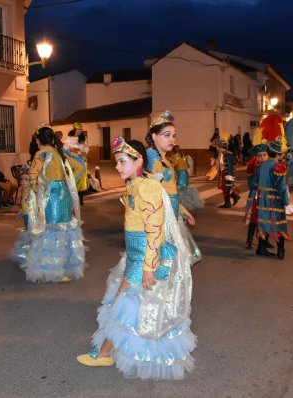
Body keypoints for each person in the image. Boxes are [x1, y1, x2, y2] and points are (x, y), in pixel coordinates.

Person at [76, 137, 196, 379]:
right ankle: (107, 351)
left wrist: (149, 267)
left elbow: (155, 230)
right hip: (134, 255)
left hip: (143, 257)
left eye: (122, 162)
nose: (118, 167)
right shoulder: (136, 184)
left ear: (138, 160)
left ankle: (105, 354)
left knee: (125, 304)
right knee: (130, 305)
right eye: (117, 162)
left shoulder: (147, 187)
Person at [19, 124, 86, 283]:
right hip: (63, 193)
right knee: (65, 230)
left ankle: (53, 270)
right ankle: (64, 266)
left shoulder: (41, 153)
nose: (35, 141)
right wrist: (69, 182)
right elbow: (80, 167)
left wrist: (37, 190)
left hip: (51, 196)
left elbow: (33, 176)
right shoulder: (58, 152)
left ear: (39, 139)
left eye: (36, 138)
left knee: (51, 231)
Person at [145, 110, 201, 265]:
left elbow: (170, 191)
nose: (172, 139)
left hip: (171, 214)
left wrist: (182, 211)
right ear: (154, 136)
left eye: (174, 135)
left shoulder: (164, 158)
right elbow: (150, 193)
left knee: (170, 261)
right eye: (167, 135)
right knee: (163, 261)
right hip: (161, 219)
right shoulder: (152, 158)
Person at [255, 141, 291, 259]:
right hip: (274, 200)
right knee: (279, 224)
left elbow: (255, 181)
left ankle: (261, 248)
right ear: (277, 154)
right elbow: (282, 187)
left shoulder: (262, 165)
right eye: (283, 153)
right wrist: (286, 202)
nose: (284, 155)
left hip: (262, 199)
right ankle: (281, 251)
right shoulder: (278, 166)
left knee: (263, 222)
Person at [244, 144, 270, 250]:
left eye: (265, 155)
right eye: (261, 155)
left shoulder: (271, 165)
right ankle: (249, 240)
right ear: (257, 157)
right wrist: (259, 186)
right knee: (254, 219)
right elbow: (251, 183)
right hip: (257, 196)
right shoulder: (254, 167)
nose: (263, 157)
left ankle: (265, 241)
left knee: (267, 218)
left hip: (268, 196)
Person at [9, 165, 32, 264]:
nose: (22, 181)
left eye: (26, 179)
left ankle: (33, 254)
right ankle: (27, 253)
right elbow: (24, 204)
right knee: (27, 233)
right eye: (22, 179)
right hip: (26, 216)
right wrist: (21, 211)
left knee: (32, 235)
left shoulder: (32, 192)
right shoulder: (24, 190)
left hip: (32, 217)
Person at [172, 145, 204, 211]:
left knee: (180, 188)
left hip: (181, 174)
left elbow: (174, 164)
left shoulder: (176, 157)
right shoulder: (182, 156)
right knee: (184, 188)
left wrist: (168, 161)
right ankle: (186, 204)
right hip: (185, 173)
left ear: (173, 151)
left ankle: (182, 205)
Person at [216, 133, 240, 208]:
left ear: (222, 147)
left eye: (218, 147)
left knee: (226, 187)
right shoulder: (222, 154)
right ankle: (229, 201)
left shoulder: (227, 154)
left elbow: (229, 165)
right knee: (224, 187)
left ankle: (232, 199)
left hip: (227, 174)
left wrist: (229, 175)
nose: (217, 148)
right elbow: (221, 164)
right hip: (223, 173)